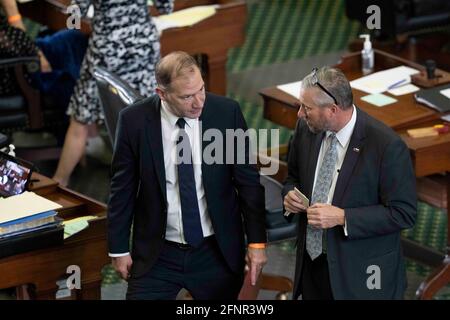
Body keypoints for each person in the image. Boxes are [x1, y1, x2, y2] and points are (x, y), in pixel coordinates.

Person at [108, 51, 267, 300]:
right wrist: (118, 249)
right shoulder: (134, 121)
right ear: (162, 94)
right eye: (186, 97)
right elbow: (122, 188)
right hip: (158, 253)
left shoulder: (226, 114)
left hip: (216, 252)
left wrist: (257, 243)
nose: (199, 102)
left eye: (201, 90)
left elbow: (248, 183)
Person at [282, 66, 417, 300]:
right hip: (313, 265)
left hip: (361, 276)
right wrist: (289, 194)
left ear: (332, 110)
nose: (300, 114)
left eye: (307, 108)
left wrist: (343, 217)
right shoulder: (308, 127)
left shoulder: (386, 147)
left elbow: (403, 213)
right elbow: (293, 175)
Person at [52, 0, 174, 187]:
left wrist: (75, 23)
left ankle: (58, 184)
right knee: (149, 118)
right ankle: (159, 186)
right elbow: (166, 7)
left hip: (106, 51)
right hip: (142, 47)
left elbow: (74, 16)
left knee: (80, 121)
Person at [0, 0, 87, 109]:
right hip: (14, 65)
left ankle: (84, 102)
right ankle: (80, 107)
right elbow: (14, 40)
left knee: (73, 39)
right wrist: (11, 10)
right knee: (70, 78)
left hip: (19, 47)